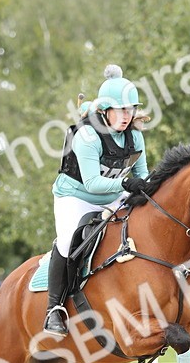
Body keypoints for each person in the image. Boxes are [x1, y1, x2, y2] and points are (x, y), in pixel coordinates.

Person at [45, 64, 151, 337]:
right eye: (121, 110)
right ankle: (54, 309)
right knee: (69, 242)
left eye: (130, 110)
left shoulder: (135, 137)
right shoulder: (88, 136)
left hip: (114, 197)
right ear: (105, 110)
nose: (127, 116)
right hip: (76, 196)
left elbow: (143, 176)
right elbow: (92, 182)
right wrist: (126, 184)